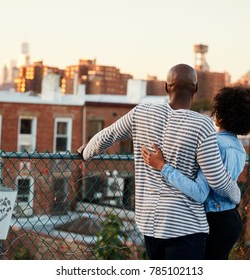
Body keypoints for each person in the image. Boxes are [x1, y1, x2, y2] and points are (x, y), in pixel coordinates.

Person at [77, 64, 240, 260]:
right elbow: (218, 181)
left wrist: (86, 152)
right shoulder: (202, 124)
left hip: (150, 224)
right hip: (185, 227)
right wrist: (237, 195)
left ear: (165, 87)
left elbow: (107, 135)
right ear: (195, 89)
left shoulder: (140, 113)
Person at [141, 85, 250, 259]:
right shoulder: (239, 149)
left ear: (220, 114)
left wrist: (163, 166)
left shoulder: (212, 144)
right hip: (231, 219)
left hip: (212, 221)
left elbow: (200, 191)